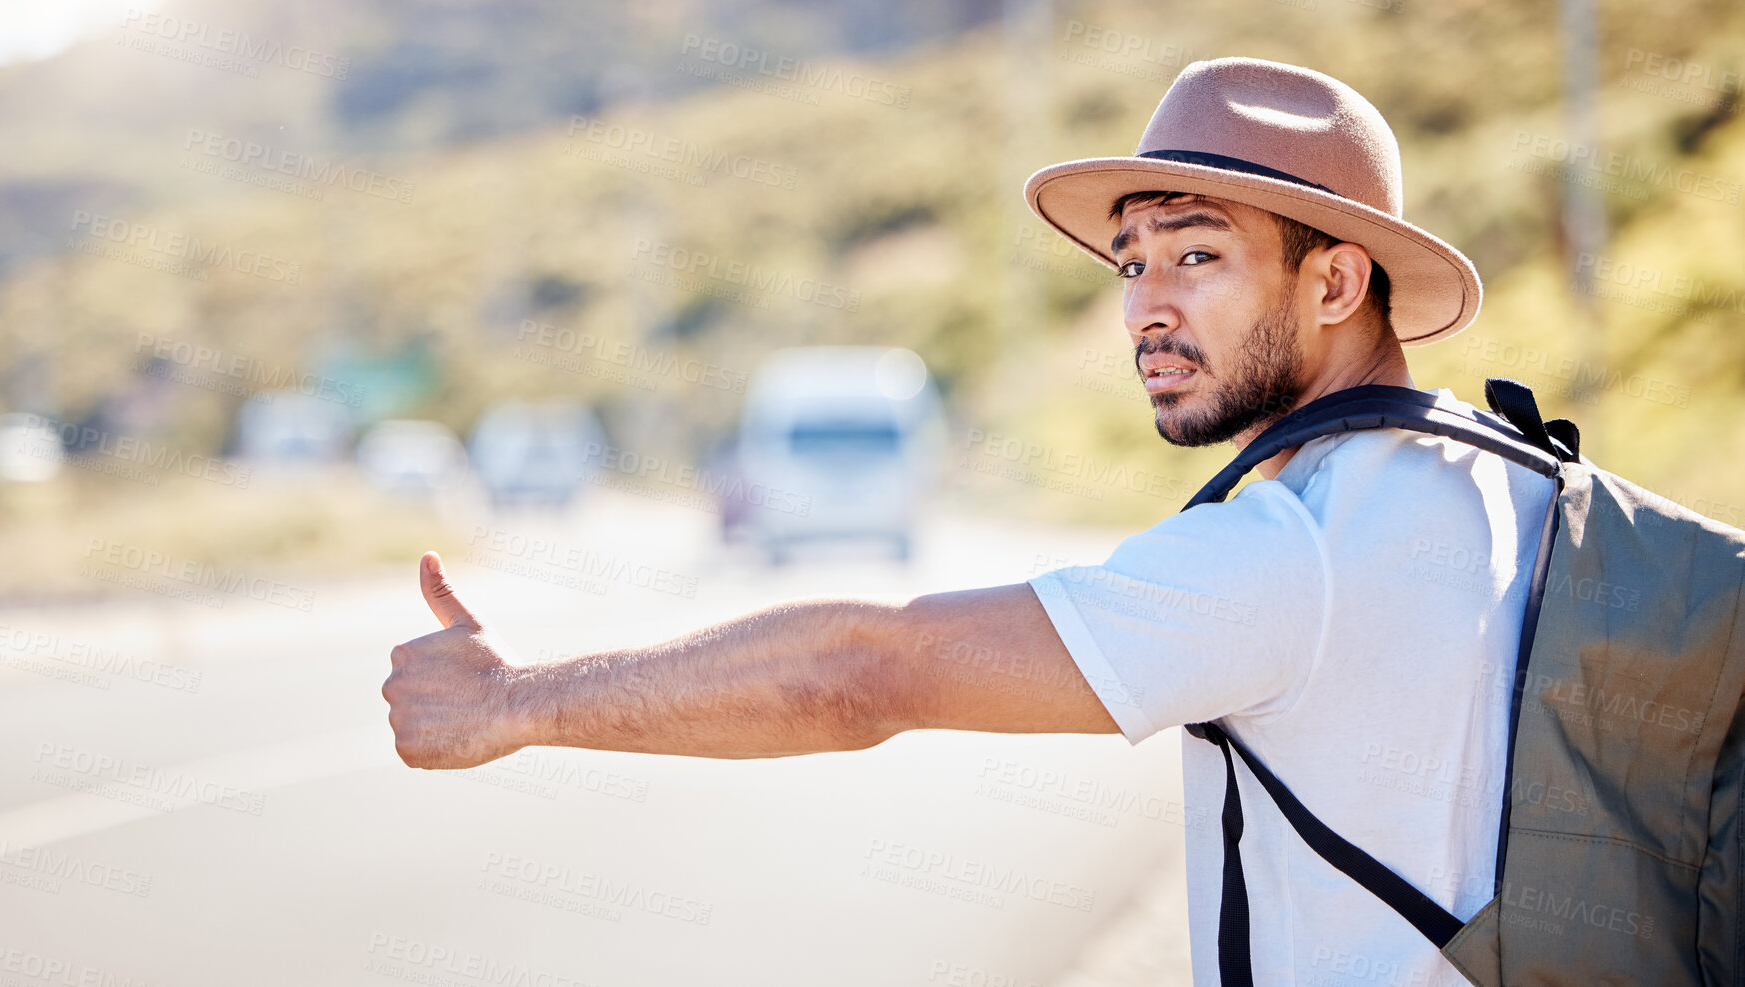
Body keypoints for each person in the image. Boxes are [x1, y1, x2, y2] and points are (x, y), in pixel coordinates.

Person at [381, 57, 1550, 986]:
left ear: (1336, 285)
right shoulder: (1515, 477)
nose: (1145, 306)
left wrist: (511, 704)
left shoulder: (1293, 549)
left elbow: (860, 676)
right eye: (1130, 262)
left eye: (1197, 254)